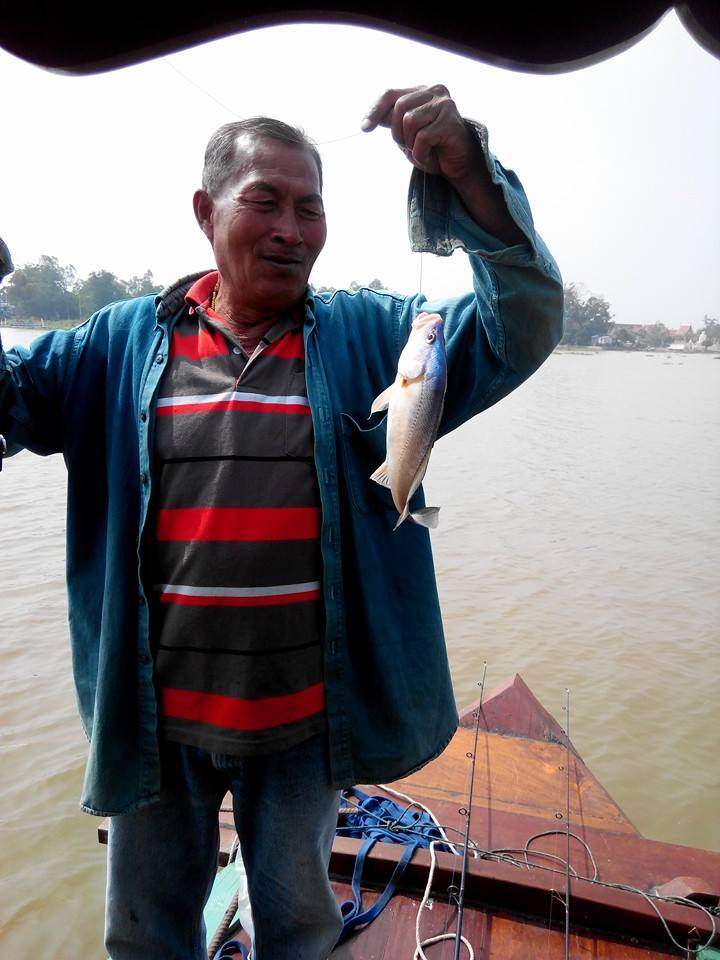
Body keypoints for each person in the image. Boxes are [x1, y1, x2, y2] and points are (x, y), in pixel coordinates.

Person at [0, 85, 563, 959]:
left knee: (300, 930)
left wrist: (472, 179)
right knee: (144, 938)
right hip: (154, 724)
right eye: (264, 201)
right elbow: (11, 397)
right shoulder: (114, 346)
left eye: (310, 207)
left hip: (305, 721)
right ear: (205, 211)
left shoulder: (373, 337)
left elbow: (517, 327)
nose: (291, 229)